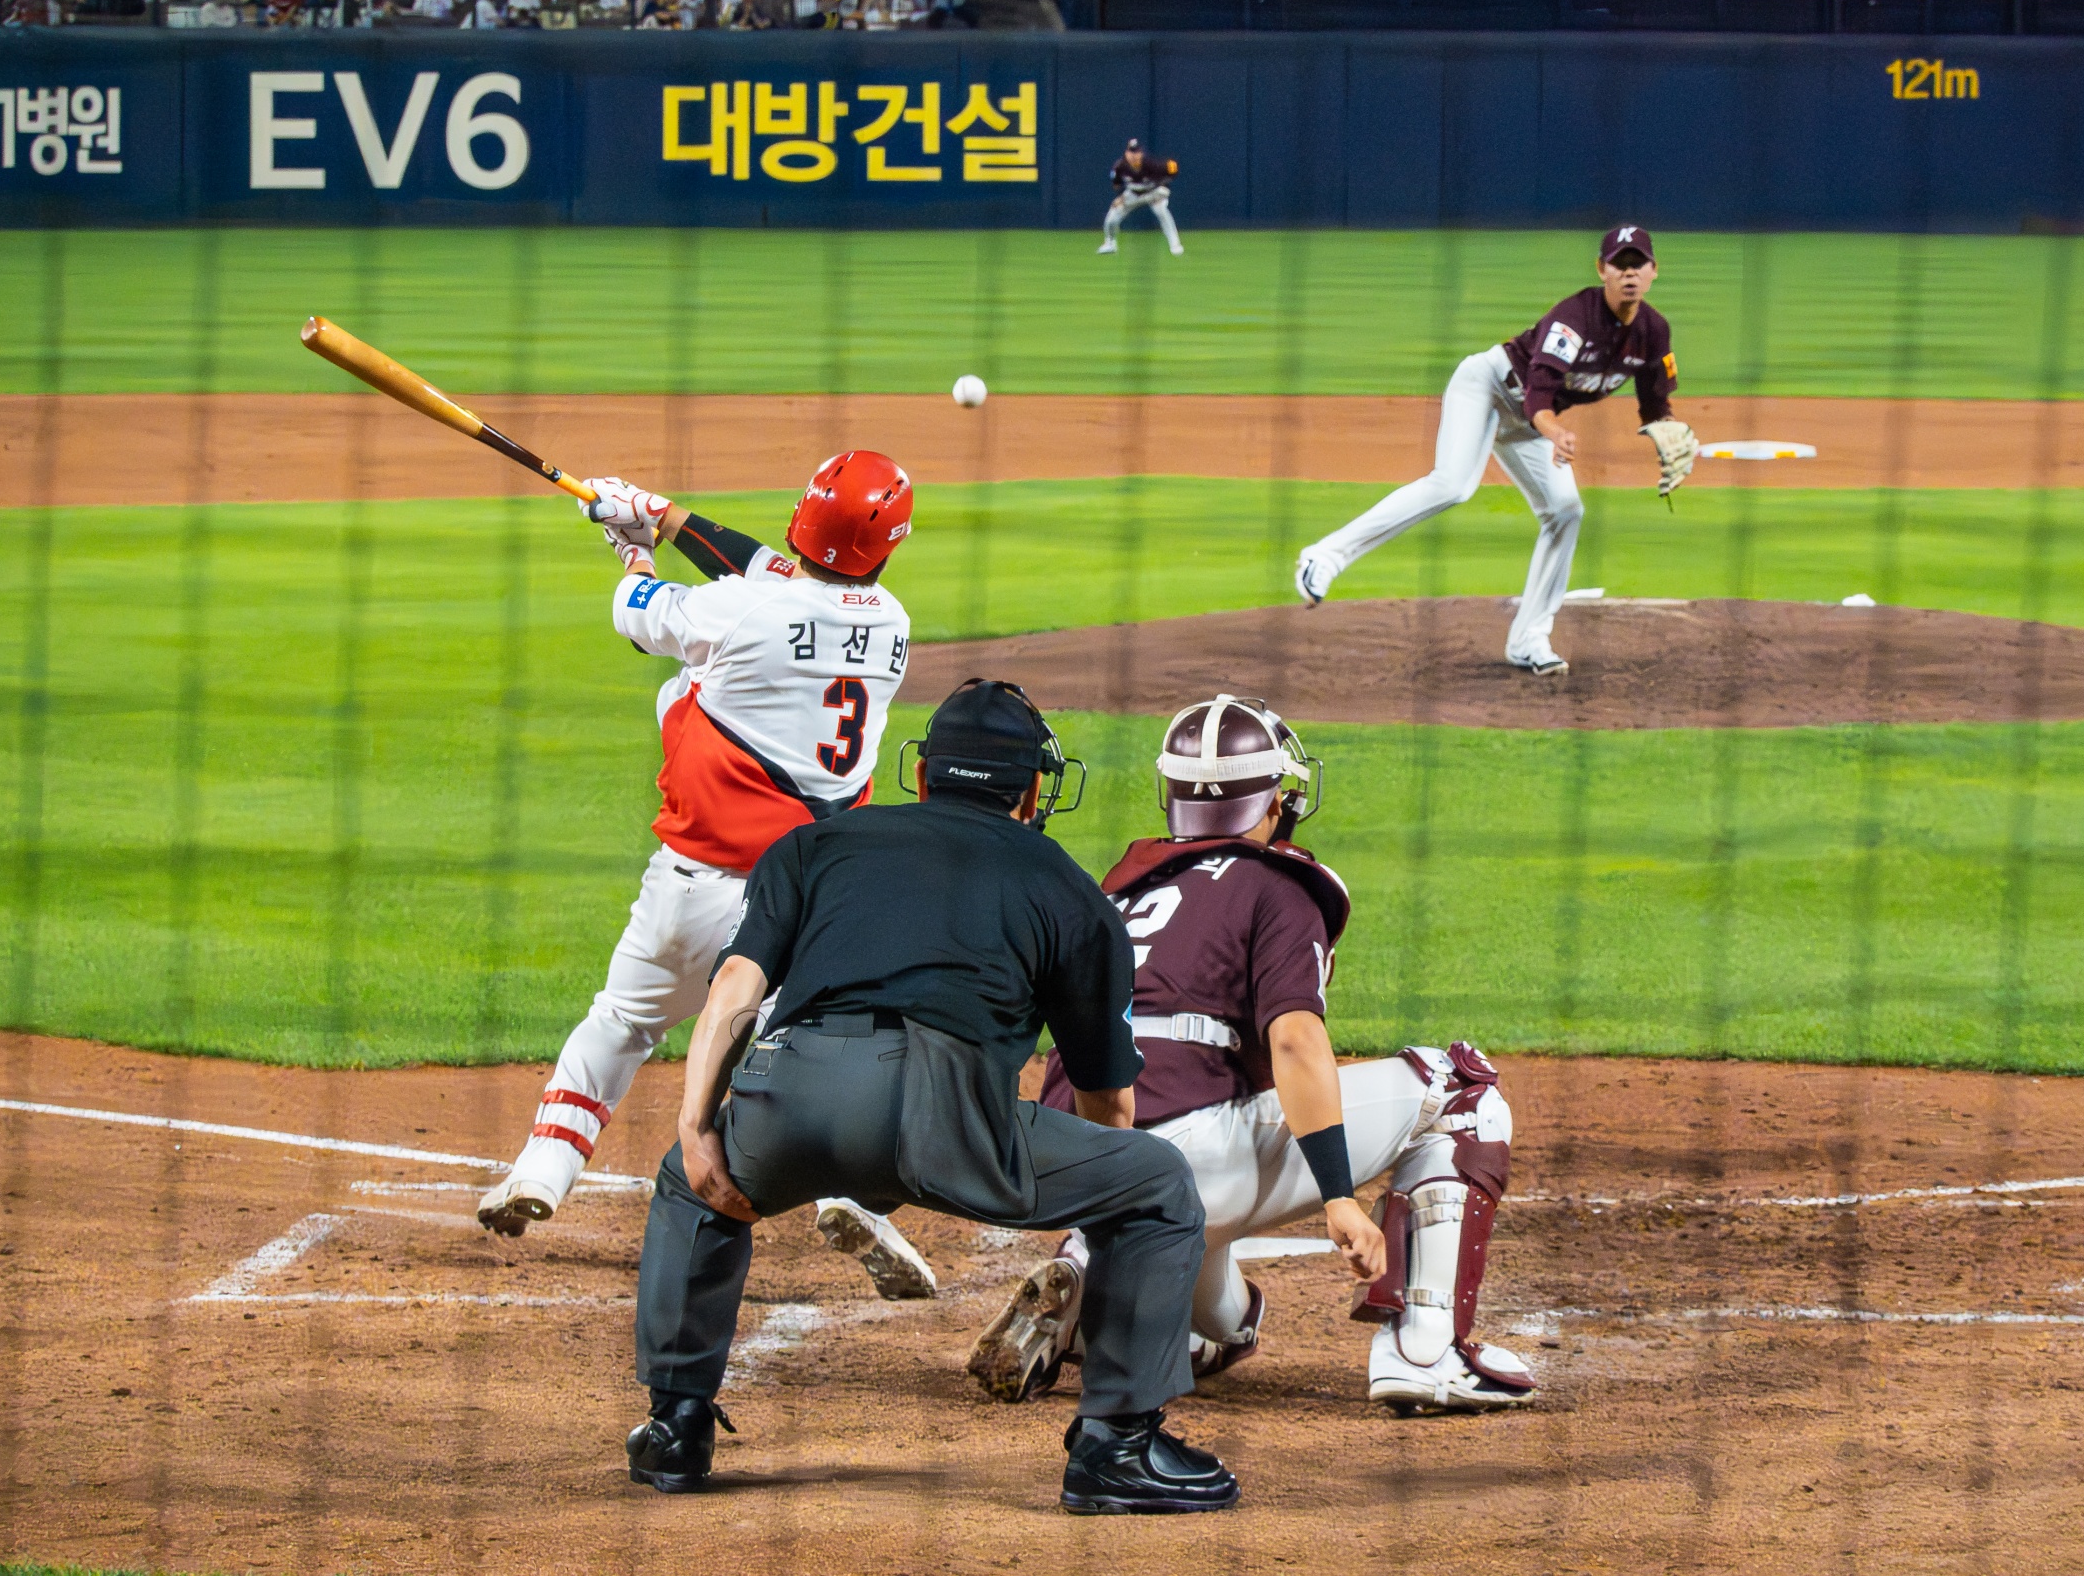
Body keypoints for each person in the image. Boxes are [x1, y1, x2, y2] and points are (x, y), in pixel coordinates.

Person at [627, 680, 1239, 1514]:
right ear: (1033, 790)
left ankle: (675, 1424)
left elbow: (737, 983)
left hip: (792, 1092)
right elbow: (1108, 1101)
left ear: (922, 774)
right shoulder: (1070, 890)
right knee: (1157, 1183)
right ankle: (1117, 1448)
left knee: (687, 1184)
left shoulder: (815, 845)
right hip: (952, 1116)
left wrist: (698, 1125)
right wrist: (1093, 1191)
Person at [966, 695, 1539, 1414]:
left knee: (1228, 1329)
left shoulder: (1118, 890)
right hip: (1194, 1159)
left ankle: (1092, 1273)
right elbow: (1295, 1040)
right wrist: (1339, 1197)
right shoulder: (1275, 885)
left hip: (1081, 1166)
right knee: (1458, 1091)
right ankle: (1426, 1352)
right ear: (1275, 799)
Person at [474, 454, 942, 1309]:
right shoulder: (892, 625)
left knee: (621, 1021)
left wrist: (632, 548)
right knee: (821, 1055)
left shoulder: (737, 613)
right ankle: (848, 1197)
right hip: (802, 911)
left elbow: (636, 613)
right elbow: (777, 577)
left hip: (689, 891)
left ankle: (543, 1166)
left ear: (804, 516)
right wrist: (663, 511)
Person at [1293, 224, 1700, 676]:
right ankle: (1324, 556)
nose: (1629, 273)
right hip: (1488, 389)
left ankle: (1529, 640)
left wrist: (1668, 434)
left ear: (1654, 270)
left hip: (1531, 421)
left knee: (1566, 510)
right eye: (1619, 264)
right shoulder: (1574, 317)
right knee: (1453, 485)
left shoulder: (1653, 331)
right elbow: (1539, 390)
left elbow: (1654, 404)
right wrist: (1553, 431)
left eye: (1637, 264)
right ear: (1601, 269)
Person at [1098, 137, 1180, 256]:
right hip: (1133, 194)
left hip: (1153, 193)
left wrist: (1163, 190)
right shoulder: (1120, 167)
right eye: (1131, 152)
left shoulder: (1150, 164)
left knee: (1161, 211)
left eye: (1137, 152)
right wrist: (1120, 197)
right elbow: (1117, 184)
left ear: (1141, 153)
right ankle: (1110, 244)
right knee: (1112, 217)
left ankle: (1175, 245)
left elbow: (1173, 168)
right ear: (1126, 153)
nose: (1134, 156)